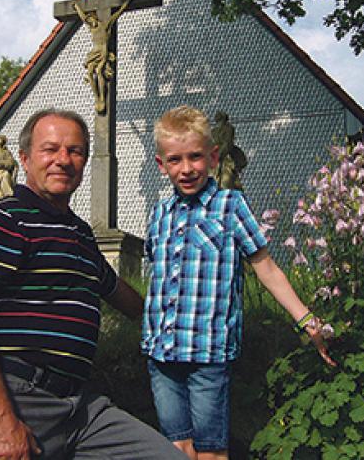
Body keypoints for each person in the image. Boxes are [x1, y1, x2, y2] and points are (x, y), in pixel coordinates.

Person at [0, 109, 188, 460]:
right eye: (51, 149)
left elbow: (120, 294)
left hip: (80, 408)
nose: (63, 160)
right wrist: (0, 421)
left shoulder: (79, 234)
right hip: (17, 395)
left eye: (74, 151)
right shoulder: (1, 223)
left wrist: (180, 320)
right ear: (26, 159)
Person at [143, 106, 335, 460]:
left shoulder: (229, 205)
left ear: (213, 156)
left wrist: (307, 319)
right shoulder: (159, 214)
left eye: (195, 157)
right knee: (175, 447)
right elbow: (156, 276)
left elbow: (266, 268)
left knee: (211, 450)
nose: (186, 168)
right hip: (162, 354)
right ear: (161, 164)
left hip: (207, 354)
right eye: (175, 160)